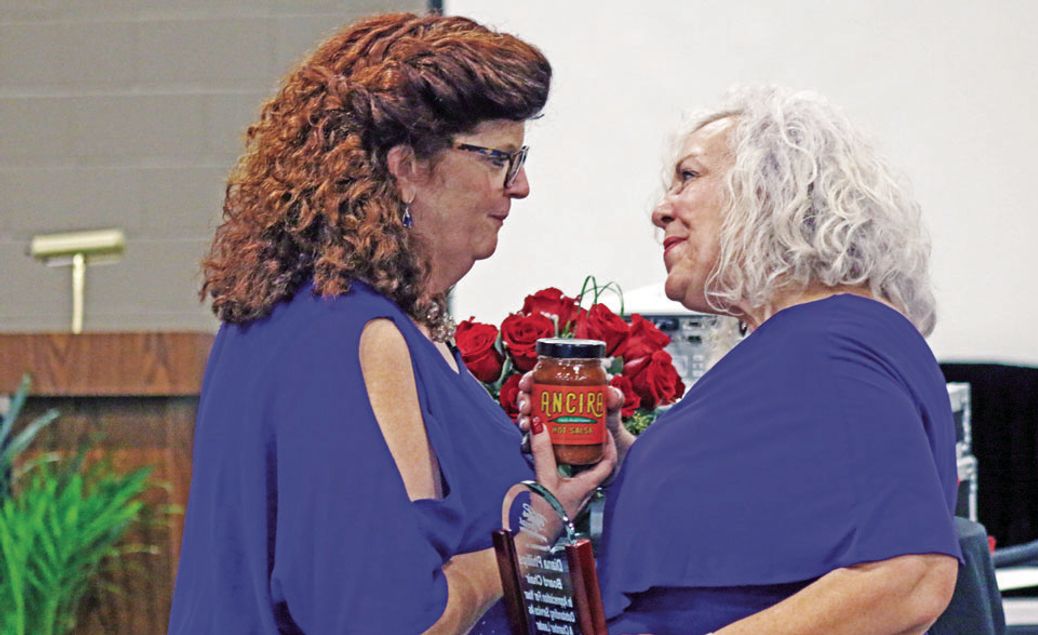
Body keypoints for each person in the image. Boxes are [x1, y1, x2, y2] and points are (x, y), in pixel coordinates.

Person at [168, 13, 614, 634]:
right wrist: (527, 546)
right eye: (498, 159)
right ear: (405, 168)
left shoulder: (296, 317)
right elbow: (399, 622)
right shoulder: (353, 336)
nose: (521, 186)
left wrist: (546, 500)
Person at [518, 85, 962, 634]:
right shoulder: (801, 345)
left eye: (689, 176)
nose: (661, 210)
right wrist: (624, 457)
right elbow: (757, 526)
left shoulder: (834, 337)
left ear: (773, 187)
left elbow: (910, 576)